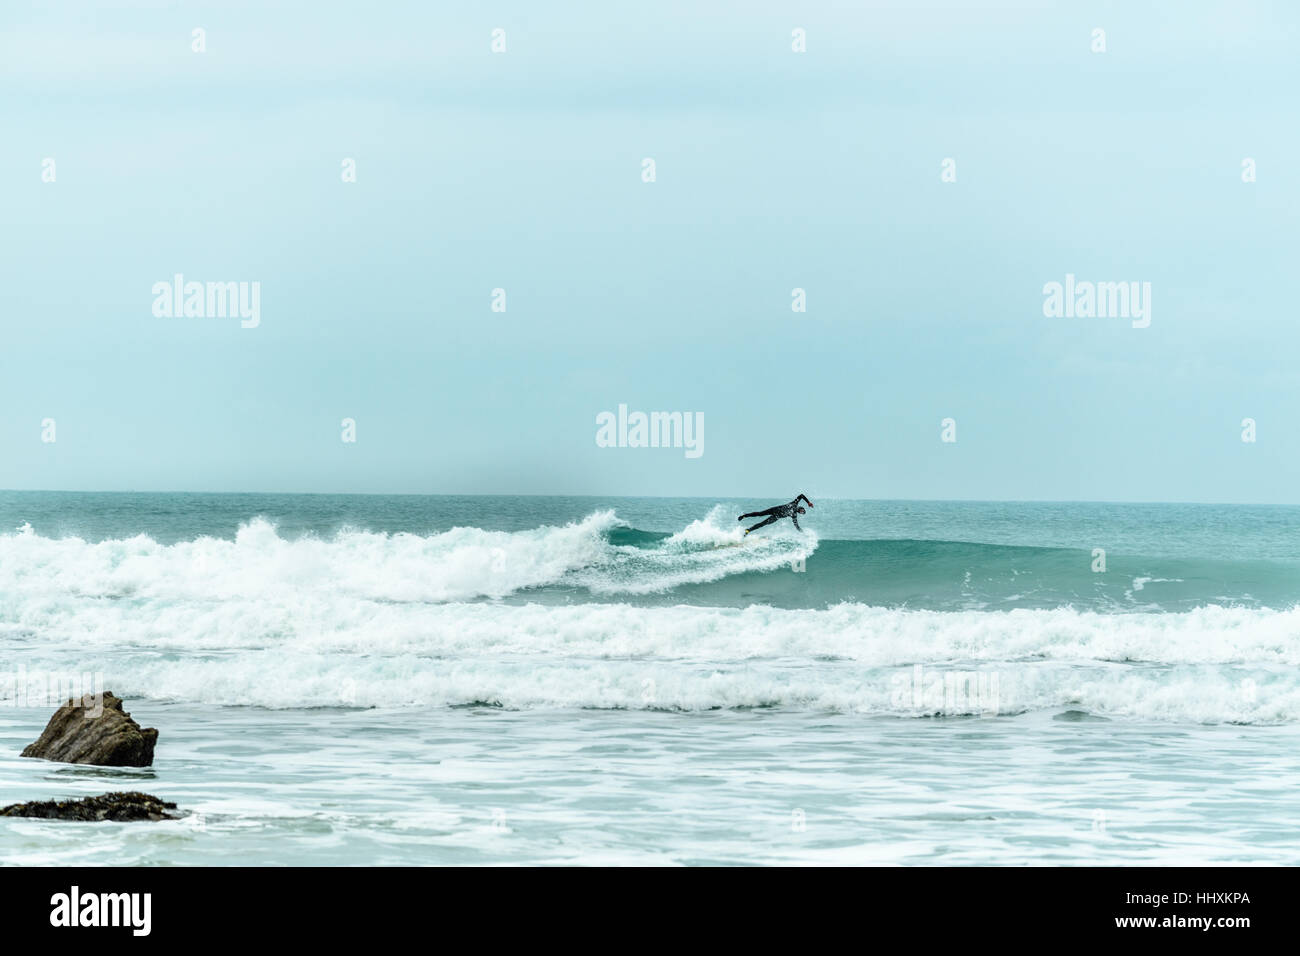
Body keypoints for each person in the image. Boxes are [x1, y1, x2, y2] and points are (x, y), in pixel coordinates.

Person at [737, 494, 814, 535]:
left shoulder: (794, 515)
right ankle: (744, 516)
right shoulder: (794, 503)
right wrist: (808, 502)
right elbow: (801, 495)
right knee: (759, 514)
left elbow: (796, 525)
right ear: (800, 507)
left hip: (776, 517)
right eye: (802, 510)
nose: (801, 511)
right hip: (774, 510)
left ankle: (748, 530)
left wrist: (802, 532)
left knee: (762, 524)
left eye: (802, 512)